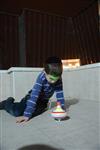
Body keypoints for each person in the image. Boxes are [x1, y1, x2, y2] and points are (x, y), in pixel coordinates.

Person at [0, 56, 66, 123]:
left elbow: (60, 96)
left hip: (42, 102)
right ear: (45, 72)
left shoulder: (58, 80)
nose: (53, 82)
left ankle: (24, 108)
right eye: (51, 79)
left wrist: (62, 109)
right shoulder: (41, 78)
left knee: (34, 113)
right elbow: (34, 96)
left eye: (56, 79)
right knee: (17, 112)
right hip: (31, 98)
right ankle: (6, 102)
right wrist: (26, 115)